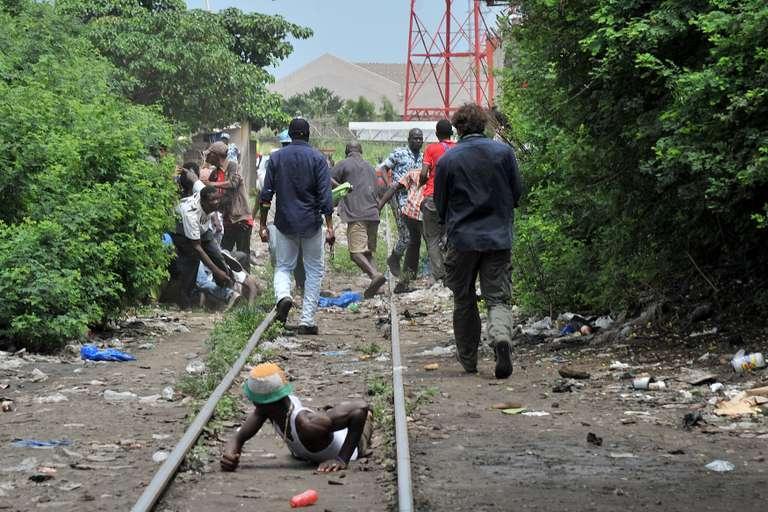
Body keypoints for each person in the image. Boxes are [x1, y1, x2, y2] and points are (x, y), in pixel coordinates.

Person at [434, 103, 523, 379]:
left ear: (457, 129)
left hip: (462, 240)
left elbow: (440, 204)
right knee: (498, 298)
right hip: (497, 238)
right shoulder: (504, 153)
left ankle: (469, 359)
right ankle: (501, 338)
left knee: (464, 299)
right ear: (483, 125)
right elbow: (517, 194)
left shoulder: (448, 160)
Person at [220, 363, 372, 473]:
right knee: (329, 418)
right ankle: (332, 412)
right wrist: (230, 455)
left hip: (355, 444)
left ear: (261, 402)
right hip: (323, 433)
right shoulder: (269, 410)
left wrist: (341, 459)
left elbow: (360, 408)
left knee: (363, 416)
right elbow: (238, 437)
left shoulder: (307, 425)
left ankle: (368, 418)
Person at [259, 118, 334, 335]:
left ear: (290, 135)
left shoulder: (276, 158)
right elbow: (325, 196)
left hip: (285, 222)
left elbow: (266, 195)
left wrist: (262, 224)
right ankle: (307, 321)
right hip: (311, 223)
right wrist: (330, 227)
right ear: (308, 134)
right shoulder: (318, 158)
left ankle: (284, 296)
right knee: (314, 270)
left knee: (283, 266)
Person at [171, 168, 236, 309]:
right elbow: (197, 247)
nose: (216, 202)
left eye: (218, 198)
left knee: (218, 256)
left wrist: (189, 173)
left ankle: (225, 290)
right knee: (192, 261)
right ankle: (184, 302)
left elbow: (195, 180)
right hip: (182, 233)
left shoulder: (204, 191)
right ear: (204, 201)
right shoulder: (190, 214)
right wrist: (216, 271)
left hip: (203, 229)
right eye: (213, 200)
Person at [332, 142, 386, 298]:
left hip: (357, 215)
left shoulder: (343, 164)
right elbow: (379, 190)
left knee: (355, 253)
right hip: (373, 215)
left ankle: (375, 275)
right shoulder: (370, 167)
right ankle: (379, 286)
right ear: (361, 151)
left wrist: (342, 187)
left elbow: (327, 178)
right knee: (367, 252)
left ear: (346, 151)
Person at [379, 129, 423, 277]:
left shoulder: (423, 157)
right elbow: (383, 168)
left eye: (420, 138)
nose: (418, 141)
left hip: (415, 200)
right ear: (409, 139)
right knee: (406, 234)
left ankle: (409, 270)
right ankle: (394, 258)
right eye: (415, 138)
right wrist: (389, 184)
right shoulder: (399, 153)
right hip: (398, 197)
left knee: (415, 235)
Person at [205, 141, 254, 272]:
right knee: (224, 255)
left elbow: (233, 184)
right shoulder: (214, 173)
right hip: (226, 221)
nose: (208, 157)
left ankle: (247, 281)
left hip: (240, 219)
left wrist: (211, 184)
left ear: (216, 155)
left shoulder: (233, 166)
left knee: (243, 255)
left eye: (210, 155)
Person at [377, 167, 424, 293]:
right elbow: (393, 186)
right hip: (415, 211)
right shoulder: (418, 172)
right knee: (424, 243)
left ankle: (404, 282)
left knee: (414, 244)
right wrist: (380, 206)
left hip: (414, 211)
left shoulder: (418, 171)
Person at [419, 119, 455, 283]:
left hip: (432, 197)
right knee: (449, 235)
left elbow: (423, 173)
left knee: (432, 238)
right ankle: (453, 271)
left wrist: (422, 183)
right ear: (452, 133)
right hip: (453, 198)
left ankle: (440, 275)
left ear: (436, 133)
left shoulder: (431, 149)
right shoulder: (458, 148)